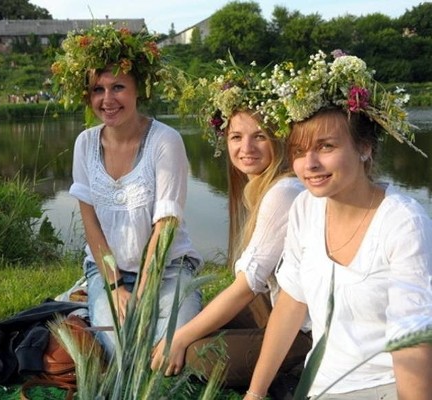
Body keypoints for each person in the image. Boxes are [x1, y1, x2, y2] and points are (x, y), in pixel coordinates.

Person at [244, 50, 432, 399]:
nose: (310, 164)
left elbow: (413, 341)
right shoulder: (304, 208)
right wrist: (255, 392)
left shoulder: (403, 223)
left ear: (364, 148)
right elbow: (290, 305)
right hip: (320, 383)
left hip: (386, 385)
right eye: (299, 152)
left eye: (326, 146)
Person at [150, 59, 311, 390]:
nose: (245, 148)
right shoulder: (267, 187)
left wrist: (178, 339)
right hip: (273, 303)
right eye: (236, 136)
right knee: (203, 323)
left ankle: (297, 370)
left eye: (259, 137)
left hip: (304, 330)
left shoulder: (284, 191)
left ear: (280, 140)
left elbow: (245, 287)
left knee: (197, 354)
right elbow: (252, 285)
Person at [51, 24, 203, 358]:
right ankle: (92, 296)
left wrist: (144, 297)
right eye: (97, 90)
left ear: (138, 90)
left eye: (117, 87)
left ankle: (87, 305)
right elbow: (91, 223)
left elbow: (165, 228)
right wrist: (116, 287)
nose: (107, 100)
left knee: (164, 352)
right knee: (122, 355)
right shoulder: (85, 144)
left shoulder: (165, 141)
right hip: (109, 271)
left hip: (169, 269)